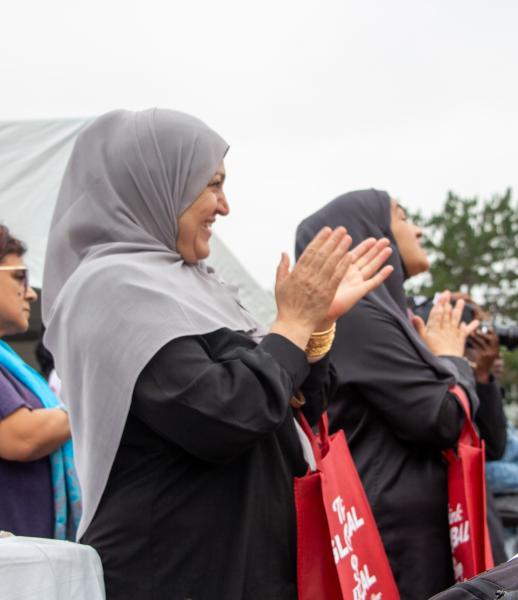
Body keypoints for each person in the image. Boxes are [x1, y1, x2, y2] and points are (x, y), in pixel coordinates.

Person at [41, 109, 393, 599]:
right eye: (211, 184)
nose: (224, 206)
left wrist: (316, 324)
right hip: (177, 570)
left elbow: (294, 406)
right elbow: (225, 414)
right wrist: (290, 323)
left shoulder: (199, 286)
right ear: (156, 182)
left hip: (243, 562)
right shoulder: (110, 287)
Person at [296, 190, 481, 600]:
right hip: (390, 540)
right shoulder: (359, 314)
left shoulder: (384, 313)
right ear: (368, 233)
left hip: (401, 529)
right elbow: (440, 418)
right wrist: (454, 361)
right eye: (401, 214)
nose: (417, 228)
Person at [0, 225, 80, 539]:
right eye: (19, 276)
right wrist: (97, 404)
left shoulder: (10, 362)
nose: (31, 292)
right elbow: (21, 437)